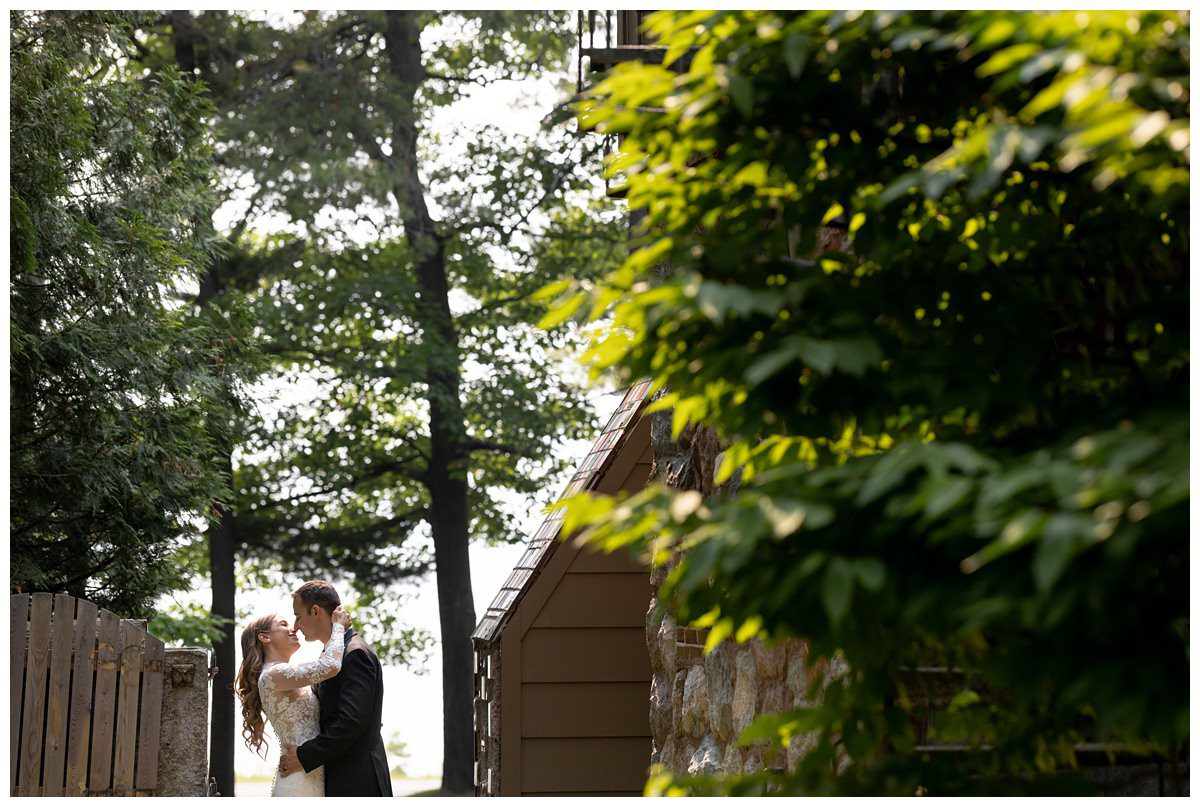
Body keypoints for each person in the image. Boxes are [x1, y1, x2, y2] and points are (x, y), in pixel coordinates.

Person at [277, 580, 393, 797]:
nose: (295, 625)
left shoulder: (355, 653)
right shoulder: (334, 655)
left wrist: (304, 755)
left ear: (315, 611)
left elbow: (351, 722)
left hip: (358, 780)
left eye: (298, 616)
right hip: (342, 776)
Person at [234, 601, 352, 796]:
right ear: (264, 637)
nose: (294, 628)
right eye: (283, 624)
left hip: (311, 773)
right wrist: (339, 627)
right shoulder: (273, 675)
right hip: (298, 782)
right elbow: (330, 665)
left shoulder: (287, 676)